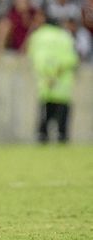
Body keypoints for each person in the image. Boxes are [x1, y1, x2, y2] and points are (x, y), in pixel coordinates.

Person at [26, 14, 79, 143]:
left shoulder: (37, 36)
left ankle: (42, 135)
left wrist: (48, 76)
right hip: (62, 84)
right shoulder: (65, 37)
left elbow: (34, 57)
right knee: (62, 112)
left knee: (45, 111)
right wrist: (57, 74)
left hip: (45, 82)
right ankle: (62, 135)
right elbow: (72, 59)